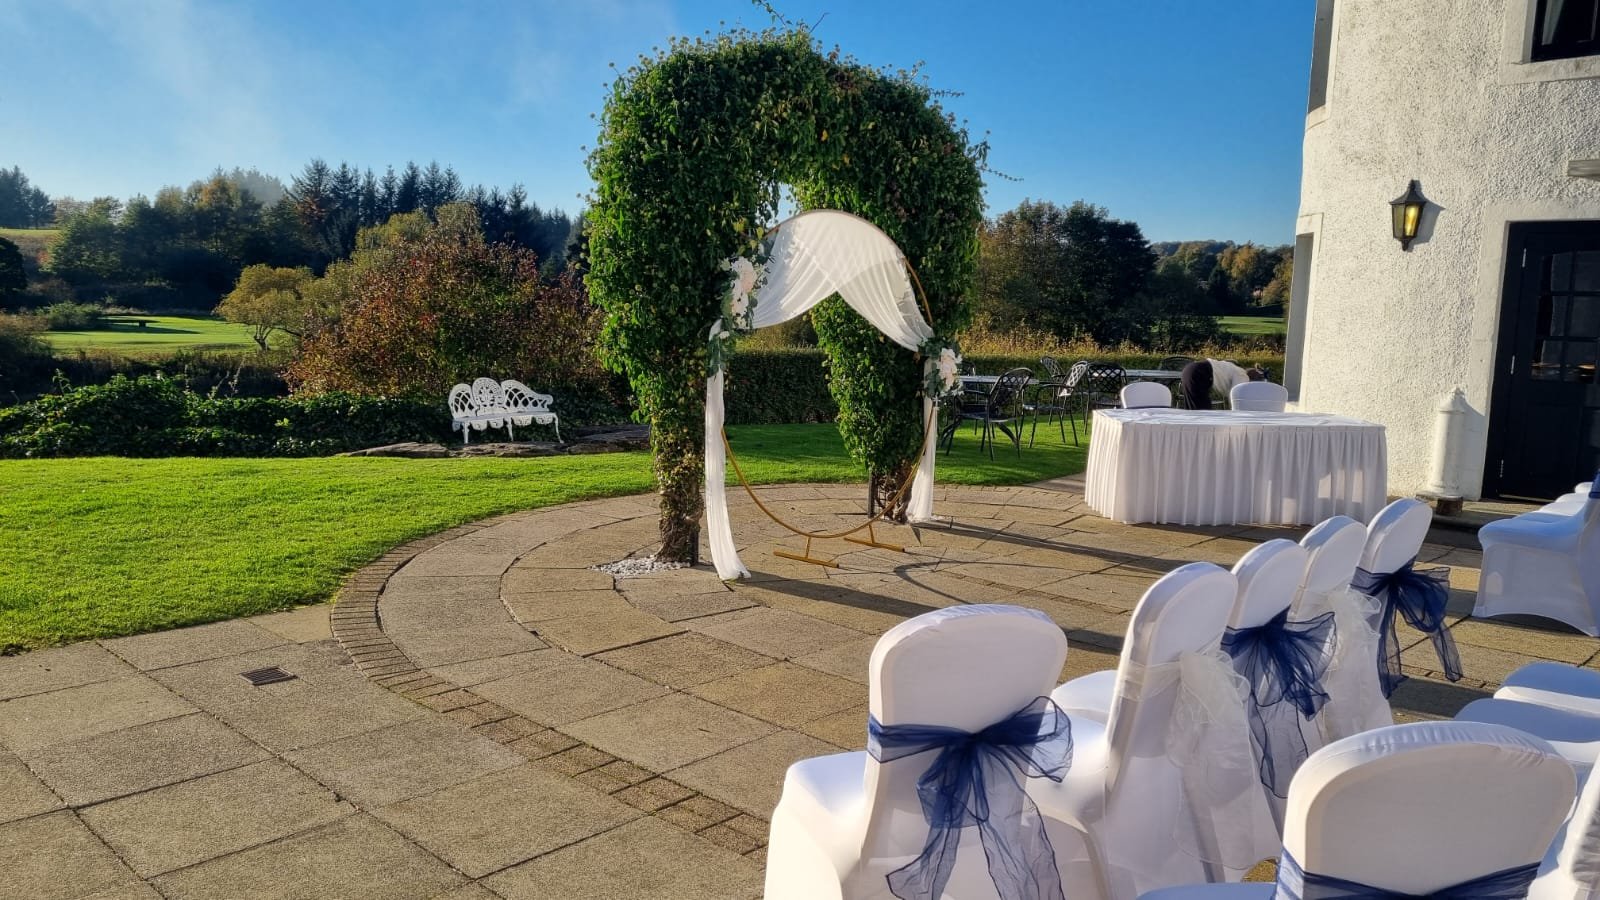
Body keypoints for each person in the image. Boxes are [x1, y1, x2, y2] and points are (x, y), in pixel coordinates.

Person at [1180, 358, 1268, 410]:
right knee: (1203, 412)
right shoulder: (1243, 376)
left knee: (1192, 411)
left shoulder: (1235, 369)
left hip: (1189, 369)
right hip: (1199, 372)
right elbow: (1236, 397)